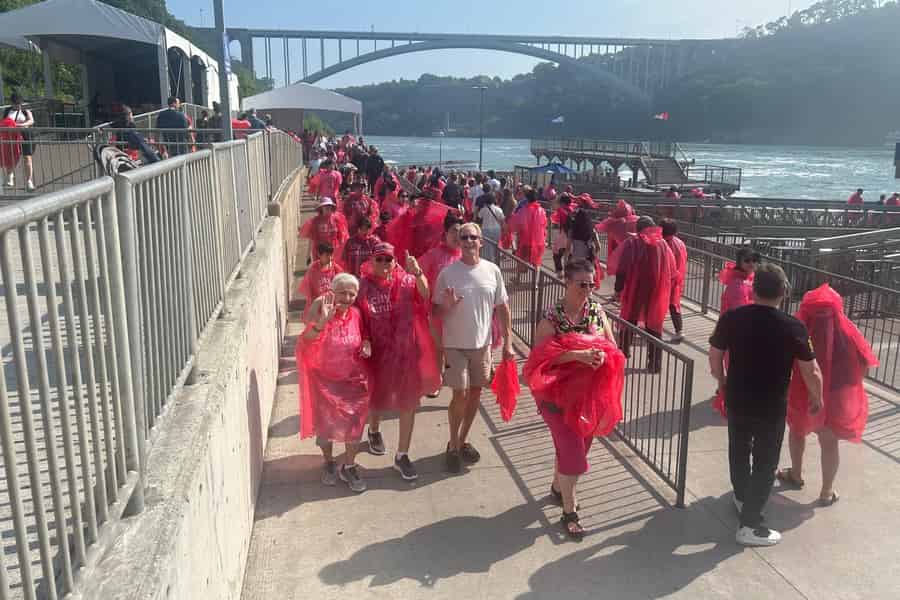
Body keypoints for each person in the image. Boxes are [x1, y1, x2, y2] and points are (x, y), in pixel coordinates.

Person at [709, 264, 823, 547]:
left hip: (737, 397)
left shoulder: (732, 318)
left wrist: (722, 381)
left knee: (738, 448)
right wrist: (817, 397)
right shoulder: (794, 327)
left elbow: (715, 354)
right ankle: (750, 525)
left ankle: (741, 496)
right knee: (765, 461)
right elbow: (811, 370)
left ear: (754, 289)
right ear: (784, 291)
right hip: (771, 404)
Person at [526, 259, 625, 539]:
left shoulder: (597, 311)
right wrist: (576, 355)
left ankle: (558, 487)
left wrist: (602, 356)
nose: (588, 290)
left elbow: (613, 347)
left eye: (592, 284)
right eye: (582, 284)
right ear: (566, 282)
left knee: (579, 447)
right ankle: (570, 512)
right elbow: (538, 361)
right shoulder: (552, 318)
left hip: (588, 398)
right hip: (556, 399)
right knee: (573, 454)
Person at [778, 284, 877, 507]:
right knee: (830, 442)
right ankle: (826, 491)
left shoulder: (799, 328)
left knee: (797, 431)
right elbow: (865, 361)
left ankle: (796, 474)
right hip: (837, 395)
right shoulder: (847, 330)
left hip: (803, 389)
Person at [433, 223, 514, 473]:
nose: (468, 241)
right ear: (458, 242)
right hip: (454, 344)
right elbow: (434, 311)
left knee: (476, 393)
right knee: (460, 394)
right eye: (464, 237)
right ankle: (453, 445)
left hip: (482, 344)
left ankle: (462, 440)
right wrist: (446, 305)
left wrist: (508, 342)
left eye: (473, 237)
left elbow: (503, 308)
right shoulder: (447, 273)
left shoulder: (492, 271)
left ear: (481, 241)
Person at [357, 242, 439, 481]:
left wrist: (418, 272)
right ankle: (374, 430)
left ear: (395, 262)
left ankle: (402, 455)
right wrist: (364, 340)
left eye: (388, 259)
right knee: (377, 398)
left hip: (406, 353)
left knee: (408, 402)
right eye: (379, 259)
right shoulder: (363, 286)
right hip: (377, 353)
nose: (384, 263)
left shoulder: (407, 281)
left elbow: (425, 294)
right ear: (372, 261)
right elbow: (358, 317)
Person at [297, 273, 372, 492]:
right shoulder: (323, 311)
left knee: (355, 426)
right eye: (342, 293)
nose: (347, 298)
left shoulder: (357, 314)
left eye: (351, 294)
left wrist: (366, 345)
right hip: (325, 382)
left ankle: (349, 465)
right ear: (332, 292)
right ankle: (329, 461)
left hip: (353, 381)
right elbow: (306, 340)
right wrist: (323, 321)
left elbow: (364, 336)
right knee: (326, 427)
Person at [614, 216, 676, 371]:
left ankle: (623, 353)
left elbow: (622, 268)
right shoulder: (662, 243)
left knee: (629, 320)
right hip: (657, 290)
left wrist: (618, 289)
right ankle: (654, 363)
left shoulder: (633, 243)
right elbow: (672, 269)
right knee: (654, 326)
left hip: (635, 289)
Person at [298, 241, 343, 318]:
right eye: (327, 255)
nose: (330, 258)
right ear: (319, 255)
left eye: (331, 255)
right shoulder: (313, 270)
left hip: (332, 307)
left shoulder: (336, 269)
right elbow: (308, 291)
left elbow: (342, 286)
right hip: (318, 307)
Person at [300, 198, 350, 267]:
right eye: (325, 206)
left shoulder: (337, 220)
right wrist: (308, 255)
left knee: (332, 270)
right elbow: (312, 239)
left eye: (329, 206)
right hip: (320, 252)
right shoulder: (316, 221)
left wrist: (343, 252)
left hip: (334, 251)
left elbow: (342, 237)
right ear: (321, 208)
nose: (327, 208)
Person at [661, 219, 688, 343]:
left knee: (658, 304)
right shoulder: (680, 243)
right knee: (674, 305)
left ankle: (653, 328)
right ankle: (679, 331)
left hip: (665, 279)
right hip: (677, 278)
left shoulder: (663, 244)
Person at [3, 93, 35, 190]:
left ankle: (29, 181)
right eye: (15, 103)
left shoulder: (25, 111)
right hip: (11, 136)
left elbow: (31, 121)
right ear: (11, 103)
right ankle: (10, 176)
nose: (18, 105)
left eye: (19, 103)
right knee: (10, 157)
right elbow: (3, 121)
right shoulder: (7, 111)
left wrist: (20, 125)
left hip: (25, 136)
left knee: (27, 158)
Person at [512, 186, 548, 268]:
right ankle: (535, 276)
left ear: (527, 198)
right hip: (538, 241)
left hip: (525, 241)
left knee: (521, 262)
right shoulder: (541, 210)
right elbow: (544, 225)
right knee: (536, 263)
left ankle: (519, 275)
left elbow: (518, 225)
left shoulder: (523, 210)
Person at [551, 194, 575, 277]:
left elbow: (554, 205)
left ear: (563, 203)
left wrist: (558, 197)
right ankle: (569, 274)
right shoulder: (572, 209)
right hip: (571, 237)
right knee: (569, 256)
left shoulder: (561, 210)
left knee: (556, 255)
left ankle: (560, 272)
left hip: (562, 236)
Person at [477, 192, 505, 263]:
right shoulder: (499, 209)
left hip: (485, 229)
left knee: (487, 248)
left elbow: (479, 218)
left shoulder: (483, 209)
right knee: (496, 247)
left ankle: (489, 262)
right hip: (497, 230)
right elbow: (502, 220)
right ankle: (496, 262)